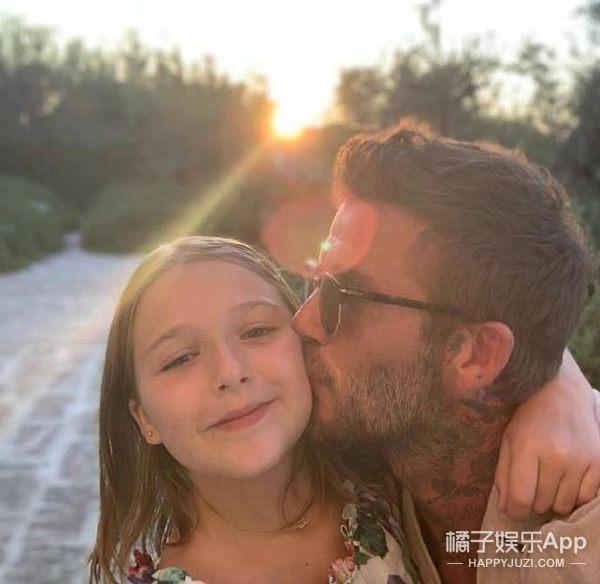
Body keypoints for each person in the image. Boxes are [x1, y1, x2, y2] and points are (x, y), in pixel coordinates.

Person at [88, 232, 598, 584]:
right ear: (143, 418)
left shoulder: (383, 467)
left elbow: (491, 344)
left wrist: (558, 390)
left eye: (258, 330)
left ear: (307, 340)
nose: (230, 372)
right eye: (179, 358)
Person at [292, 125, 600, 583]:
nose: (303, 321)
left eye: (345, 296)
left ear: (476, 356)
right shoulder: (362, 453)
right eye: (316, 283)